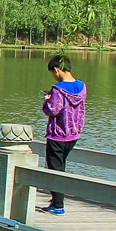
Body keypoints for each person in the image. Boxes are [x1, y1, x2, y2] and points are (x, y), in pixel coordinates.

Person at [40, 54, 87, 214]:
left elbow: (52, 109)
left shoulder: (58, 89)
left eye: (52, 73)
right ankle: (55, 198)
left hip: (57, 135)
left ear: (57, 70)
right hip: (73, 134)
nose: (53, 76)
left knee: (54, 170)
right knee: (61, 166)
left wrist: (47, 99)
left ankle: (58, 205)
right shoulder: (82, 86)